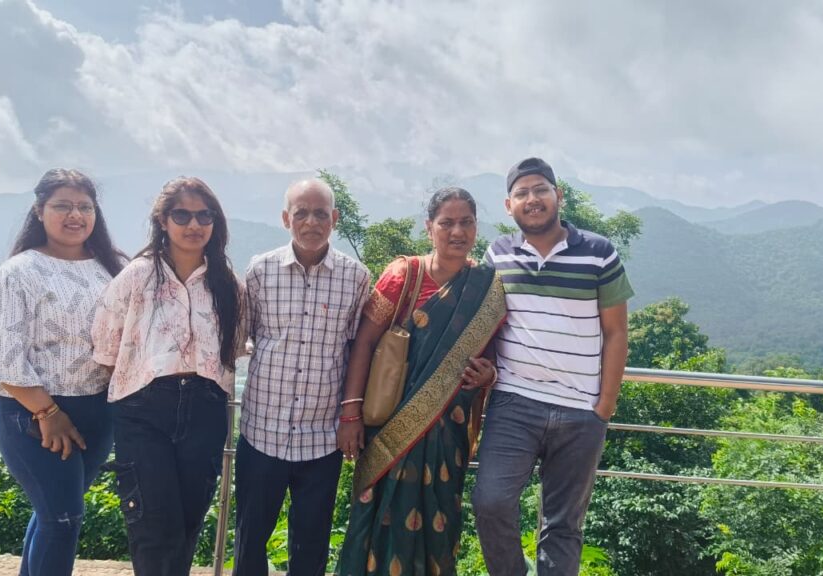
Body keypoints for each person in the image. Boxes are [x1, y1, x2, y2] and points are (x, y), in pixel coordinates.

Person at [472, 158, 633, 575]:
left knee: (563, 525)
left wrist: (604, 408)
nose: (533, 199)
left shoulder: (598, 252)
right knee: (490, 503)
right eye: (522, 193)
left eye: (540, 189)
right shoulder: (498, 254)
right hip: (513, 403)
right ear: (509, 205)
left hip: (581, 412)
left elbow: (616, 332)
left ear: (558, 195)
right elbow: (483, 322)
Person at [336, 187, 507, 576]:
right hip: (390, 426)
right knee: (378, 519)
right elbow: (364, 341)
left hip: (449, 433)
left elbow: (494, 356)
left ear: (477, 227)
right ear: (430, 227)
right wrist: (350, 413)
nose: (457, 232)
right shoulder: (404, 275)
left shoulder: (486, 288)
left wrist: (489, 374)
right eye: (447, 223)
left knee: (439, 525)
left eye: (466, 222)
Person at [0, 168, 125, 576]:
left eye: (85, 207)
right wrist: (48, 413)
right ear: (39, 211)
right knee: (63, 519)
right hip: (32, 414)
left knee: (54, 514)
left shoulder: (112, 267)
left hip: (97, 410)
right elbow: (3, 354)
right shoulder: (18, 273)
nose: (76, 215)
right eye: (63, 206)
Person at [91, 177, 245, 576]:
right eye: (182, 214)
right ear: (163, 220)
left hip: (206, 410)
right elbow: (106, 345)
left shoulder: (227, 284)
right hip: (143, 411)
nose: (194, 224)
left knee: (188, 522)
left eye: (203, 215)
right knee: (153, 525)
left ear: (215, 221)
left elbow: (236, 344)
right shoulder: (137, 276)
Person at [234, 178, 370, 576]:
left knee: (311, 542)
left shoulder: (356, 277)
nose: (311, 222)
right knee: (250, 538)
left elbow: (355, 350)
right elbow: (243, 336)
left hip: (323, 437)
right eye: (301, 213)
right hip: (262, 431)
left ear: (335, 218)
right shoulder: (260, 271)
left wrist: (351, 416)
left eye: (320, 213)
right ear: (285, 218)